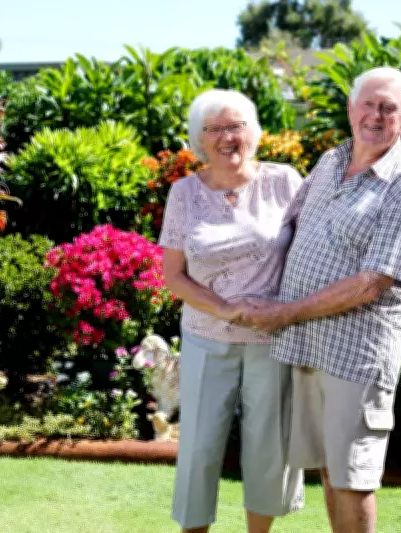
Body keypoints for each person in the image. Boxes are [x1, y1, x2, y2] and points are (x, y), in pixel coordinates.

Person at [241, 66, 401, 533]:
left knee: (353, 476)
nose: (375, 114)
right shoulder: (330, 161)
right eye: (367, 103)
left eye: (388, 108)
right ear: (350, 109)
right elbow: (290, 226)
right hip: (309, 346)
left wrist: (284, 312)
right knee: (329, 466)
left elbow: (372, 282)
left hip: (356, 354)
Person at [158, 88, 305, 533]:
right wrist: (228, 309)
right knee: (199, 450)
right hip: (207, 336)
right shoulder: (183, 194)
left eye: (236, 126)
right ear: (200, 140)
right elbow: (174, 276)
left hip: (272, 339)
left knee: (268, 449)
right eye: (215, 128)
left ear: (254, 133)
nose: (227, 137)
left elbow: (316, 250)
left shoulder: (285, 182)